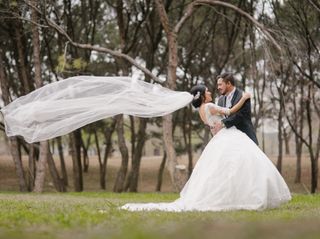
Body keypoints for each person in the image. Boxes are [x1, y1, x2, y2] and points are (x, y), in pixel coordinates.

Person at [121, 85, 291, 212]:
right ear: (202, 95)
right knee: (238, 165)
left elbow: (213, 123)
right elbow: (230, 110)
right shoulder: (209, 106)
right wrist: (245, 98)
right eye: (208, 91)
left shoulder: (201, 110)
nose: (211, 93)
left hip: (219, 138)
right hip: (226, 136)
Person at [215, 72, 258, 145]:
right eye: (218, 85)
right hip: (229, 142)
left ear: (228, 83)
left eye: (220, 84)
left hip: (246, 139)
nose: (218, 87)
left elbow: (240, 116)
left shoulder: (243, 96)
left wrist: (223, 123)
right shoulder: (220, 100)